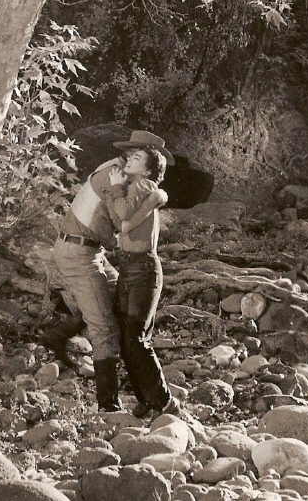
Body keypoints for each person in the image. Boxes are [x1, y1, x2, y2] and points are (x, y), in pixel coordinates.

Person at [41, 144, 127, 412]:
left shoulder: (114, 170)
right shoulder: (114, 177)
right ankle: (108, 403)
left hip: (88, 248)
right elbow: (124, 226)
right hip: (79, 251)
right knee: (104, 326)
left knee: (115, 295)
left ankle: (56, 336)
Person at [105, 133, 182, 418]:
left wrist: (115, 188)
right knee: (130, 338)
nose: (129, 160)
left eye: (136, 158)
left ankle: (164, 403)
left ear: (149, 170)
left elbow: (123, 211)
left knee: (135, 339)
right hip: (131, 268)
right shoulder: (141, 185)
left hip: (142, 270)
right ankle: (147, 401)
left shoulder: (142, 184)